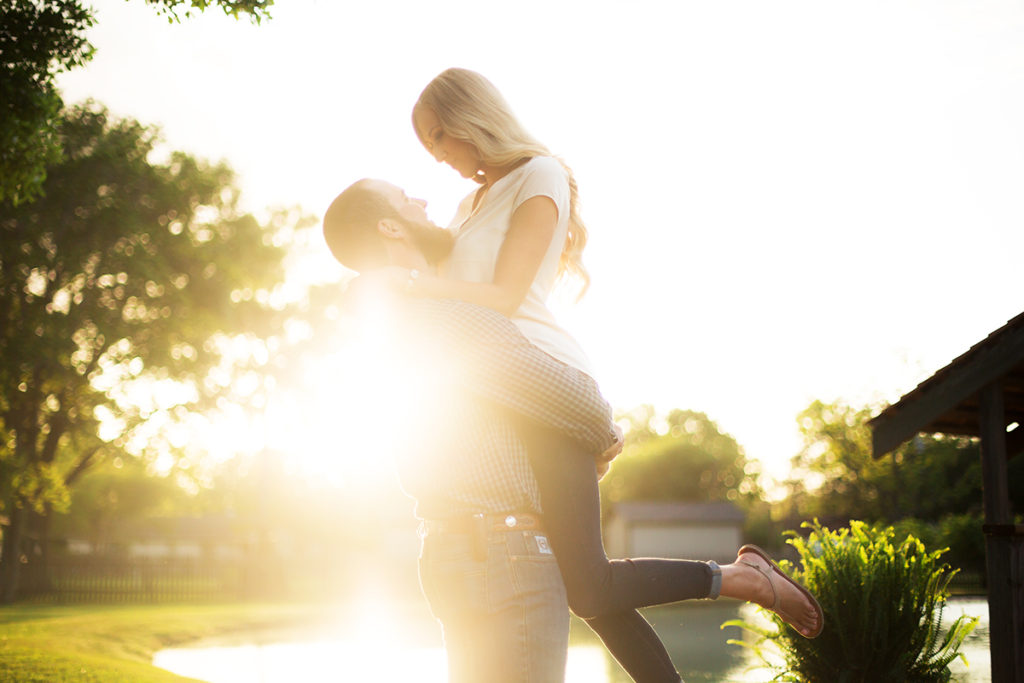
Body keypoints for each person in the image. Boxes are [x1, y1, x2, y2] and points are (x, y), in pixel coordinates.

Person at [323, 178, 824, 683]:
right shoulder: (448, 318)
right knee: (592, 591)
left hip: (450, 550)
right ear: (389, 225)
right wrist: (604, 436)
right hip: (502, 551)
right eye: (405, 197)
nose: (423, 200)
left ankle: (736, 580)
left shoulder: (381, 325)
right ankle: (738, 579)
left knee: (592, 592)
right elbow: (577, 403)